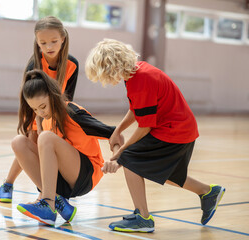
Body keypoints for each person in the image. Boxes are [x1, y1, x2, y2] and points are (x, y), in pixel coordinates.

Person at [85, 38, 225, 233]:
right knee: (163, 171)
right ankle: (208, 192)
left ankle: (143, 217)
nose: (106, 80)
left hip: (174, 131)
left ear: (110, 67)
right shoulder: (136, 72)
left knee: (131, 159)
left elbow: (145, 127)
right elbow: (137, 109)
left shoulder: (141, 80)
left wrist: (121, 153)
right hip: (180, 129)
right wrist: (118, 130)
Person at [12, 69, 116, 225]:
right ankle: (57, 200)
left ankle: (48, 203)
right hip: (63, 179)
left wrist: (116, 158)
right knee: (18, 142)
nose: (40, 112)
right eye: (34, 109)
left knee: (45, 138)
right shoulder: (46, 119)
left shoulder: (73, 113)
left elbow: (114, 133)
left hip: (86, 175)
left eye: (42, 106)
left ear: (52, 95)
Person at [0, 16, 79, 203]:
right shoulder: (34, 64)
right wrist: (38, 124)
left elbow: (68, 99)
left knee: (47, 149)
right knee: (31, 145)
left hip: (56, 112)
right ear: (37, 42)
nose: (49, 46)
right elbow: (28, 99)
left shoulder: (72, 64)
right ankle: (12, 185)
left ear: (63, 39)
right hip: (34, 110)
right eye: (43, 43)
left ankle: (45, 194)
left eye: (53, 41)